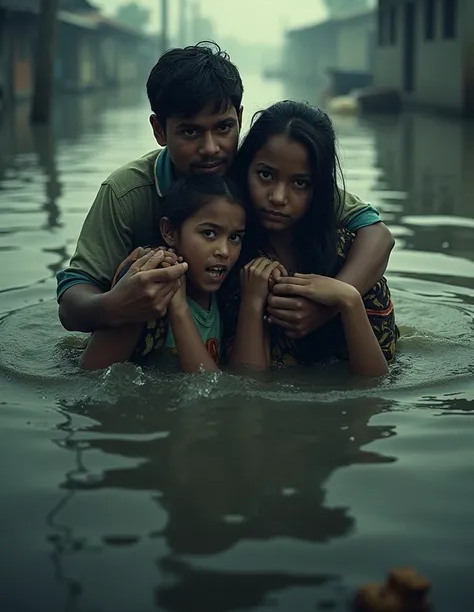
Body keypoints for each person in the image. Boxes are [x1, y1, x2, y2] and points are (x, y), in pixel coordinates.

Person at [56, 43, 394, 341]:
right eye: (190, 132)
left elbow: (377, 234)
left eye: (223, 128)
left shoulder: (260, 175)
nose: (211, 148)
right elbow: (73, 301)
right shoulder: (127, 192)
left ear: (240, 118)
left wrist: (332, 304)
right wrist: (113, 306)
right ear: (160, 130)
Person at [224, 100, 398, 378]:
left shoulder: (348, 256)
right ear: (244, 171)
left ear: (319, 189)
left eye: (300, 183)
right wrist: (254, 303)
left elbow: (376, 385)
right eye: (265, 175)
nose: (278, 197)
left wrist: (346, 300)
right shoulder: (228, 258)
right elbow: (247, 390)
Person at [82, 175, 246, 372]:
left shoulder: (228, 295)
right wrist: (176, 306)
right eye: (209, 233)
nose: (224, 251)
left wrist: (179, 307)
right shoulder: (144, 296)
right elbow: (89, 377)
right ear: (169, 231)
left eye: (235, 237)